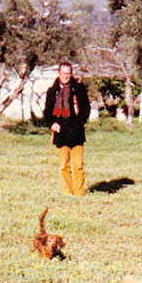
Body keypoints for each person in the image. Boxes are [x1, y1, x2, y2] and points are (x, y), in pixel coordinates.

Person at [42, 61, 92, 196]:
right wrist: (52, 123)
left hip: (76, 132)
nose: (65, 76)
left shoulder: (79, 89)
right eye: (63, 73)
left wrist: (80, 122)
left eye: (68, 74)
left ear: (71, 74)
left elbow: (86, 108)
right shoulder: (52, 91)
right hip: (60, 133)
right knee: (64, 166)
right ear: (59, 73)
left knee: (78, 165)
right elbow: (47, 111)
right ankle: (68, 193)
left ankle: (79, 194)